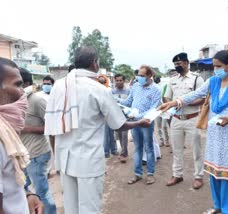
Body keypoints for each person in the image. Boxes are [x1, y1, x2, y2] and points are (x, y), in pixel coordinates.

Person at [44, 47, 151, 214]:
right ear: (95, 63)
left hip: (64, 158)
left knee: (71, 208)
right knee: (89, 209)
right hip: (88, 161)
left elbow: (51, 126)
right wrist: (139, 123)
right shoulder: (99, 89)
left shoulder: (59, 86)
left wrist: (56, 154)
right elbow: (119, 124)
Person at [159, 50, 228, 214]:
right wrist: (174, 102)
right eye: (214, 66)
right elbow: (195, 94)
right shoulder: (213, 82)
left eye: (218, 66)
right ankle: (218, 205)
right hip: (215, 135)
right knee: (215, 172)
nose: (215, 69)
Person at [0, 57, 43, 214]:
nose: (23, 92)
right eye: (18, 84)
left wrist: (27, 195)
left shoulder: (5, 130)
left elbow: (8, 184)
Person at [164, 52, 205, 189]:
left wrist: (184, 103)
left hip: (192, 118)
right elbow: (167, 97)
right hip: (176, 119)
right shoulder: (172, 79)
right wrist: (170, 104)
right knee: (176, 149)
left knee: (196, 149)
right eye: (175, 64)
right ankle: (177, 175)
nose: (177, 66)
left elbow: (203, 98)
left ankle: (198, 176)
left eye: (179, 64)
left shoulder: (196, 79)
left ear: (186, 63)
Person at [19, 68, 57, 213]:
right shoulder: (16, 103)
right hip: (22, 154)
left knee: (42, 192)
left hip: (36, 153)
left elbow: (52, 126)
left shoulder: (36, 100)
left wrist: (26, 129)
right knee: (23, 188)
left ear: (26, 83)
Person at [119, 65, 161, 185]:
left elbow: (153, 109)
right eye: (138, 75)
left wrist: (138, 116)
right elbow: (128, 101)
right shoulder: (136, 86)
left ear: (149, 76)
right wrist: (116, 100)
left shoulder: (155, 90)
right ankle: (137, 174)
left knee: (149, 148)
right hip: (134, 122)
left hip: (146, 123)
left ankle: (150, 174)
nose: (139, 77)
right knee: (137, 148)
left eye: (142, 76)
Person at [113, 74, 130, 163]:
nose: (119, 82)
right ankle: (123, 151)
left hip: (125, 116)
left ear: (124, 81)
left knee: (124, 135)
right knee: (118, 135)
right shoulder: (112, 91)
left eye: (121, 80)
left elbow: (130, 102)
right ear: (115, 81)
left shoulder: (128, 91)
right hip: (116, 116)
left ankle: (124, 154)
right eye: (117, 80)